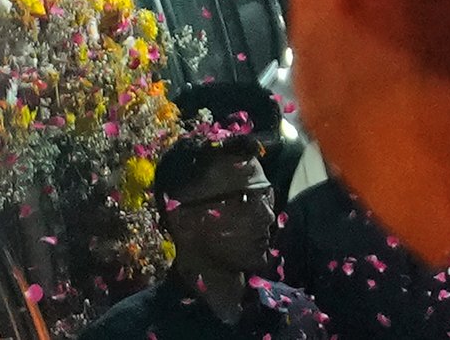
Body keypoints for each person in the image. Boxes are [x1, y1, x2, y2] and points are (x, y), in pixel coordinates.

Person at [80, 133, 329, 340]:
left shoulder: (297, 314)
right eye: (243, 200)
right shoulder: (122, 333)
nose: (267, 216)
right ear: (182, 219)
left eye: (266, 196)